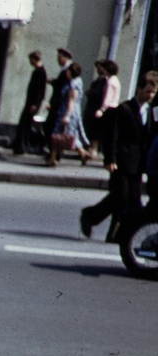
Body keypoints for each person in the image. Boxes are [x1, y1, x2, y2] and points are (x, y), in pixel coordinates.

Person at [80, 72, 158, 243]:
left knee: (133, 201)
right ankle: (90, 216)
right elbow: (112, 135)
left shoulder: (152, 112)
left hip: (138, 164)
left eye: (153, 93)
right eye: (147, 91)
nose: (150, 95)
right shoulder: (124, 109)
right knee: (120, 197)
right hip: (121, 160)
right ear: (138, 89)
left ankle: (116, 234)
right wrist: (110, 159)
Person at [48, 61, 91, 167]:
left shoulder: (73, 84)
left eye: (67, 71)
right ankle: (83, 153)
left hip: (67, 112)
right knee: (69, 134)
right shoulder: (77, 81)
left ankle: (53, 158)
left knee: (57, 134)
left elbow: (71, 101)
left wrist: (66, 115)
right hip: (70, 111)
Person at [12, 50, 48, 155]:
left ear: (34, 59)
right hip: (31, 102)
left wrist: (36, 104)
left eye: (30, 60)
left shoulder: (40, 72)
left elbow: (40, 91)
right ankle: (22, 145)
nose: (30, 62)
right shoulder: (38, 71)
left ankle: (22, 146)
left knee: (24, 124)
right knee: (25, 124)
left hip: (32, 103)